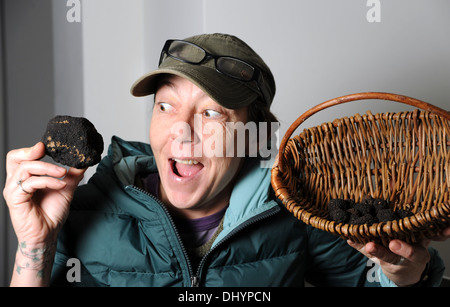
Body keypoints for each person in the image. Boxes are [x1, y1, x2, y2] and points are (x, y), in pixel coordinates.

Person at [3, 33, 449, 287]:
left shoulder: (298, 210)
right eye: (165, 105)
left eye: (213, 112)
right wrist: (35, 246)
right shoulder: (79, 210)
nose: (181, 128)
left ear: (255, 135)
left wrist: (406, 275)